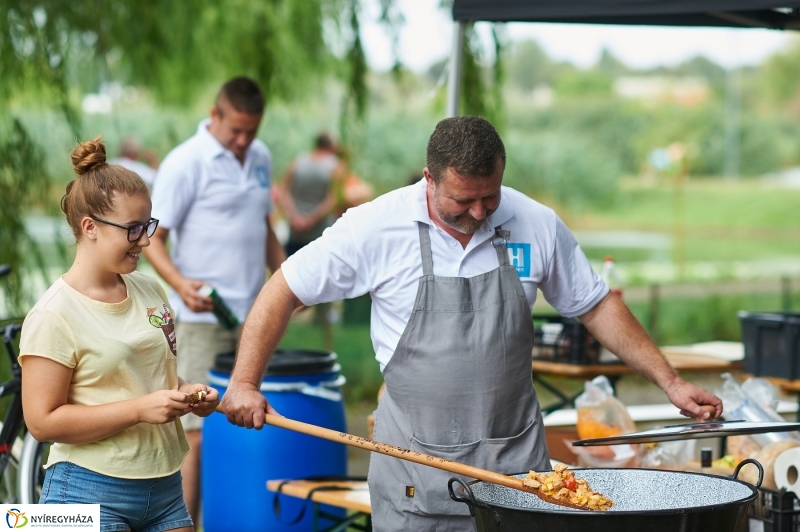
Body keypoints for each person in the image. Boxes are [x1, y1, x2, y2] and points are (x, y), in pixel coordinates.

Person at [222, 116, 722, 531]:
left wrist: (670, 381)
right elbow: (282, 290)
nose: (480, 212)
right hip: (417, 474)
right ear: (429, 178)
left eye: (491, 197)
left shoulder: (536, 222)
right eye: (463, 201)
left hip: (517, 474)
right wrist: (245, 382)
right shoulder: (374, 227)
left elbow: (596, 305)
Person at [19, 137, 219, 532]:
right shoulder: (53, 314)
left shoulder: (149, 288)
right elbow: (41, 422)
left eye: (147, 226)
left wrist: (187, 392)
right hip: (83, 491)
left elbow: (144, 375)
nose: (145, 240)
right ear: (90, 227)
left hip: (164, 486)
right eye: (132, 229)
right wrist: (141, 410)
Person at [145, 76, 285, 527]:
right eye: (235, 131)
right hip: (200, 316)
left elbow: (263, 227)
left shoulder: (260, 157)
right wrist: (181, 283)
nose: (243, 140)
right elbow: (153, 239)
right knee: (197, 431)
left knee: (249, 418)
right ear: (215, 115)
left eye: (251, 131)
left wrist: (287, 279)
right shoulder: (185, 162)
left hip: (253, 315)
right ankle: (183, 524)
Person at [279, 132, 345, 256]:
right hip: (320, 234)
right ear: (332, 146)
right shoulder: (335, 165)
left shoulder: (298, 161)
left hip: (295, 232)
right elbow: (333, 199)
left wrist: (294, 217)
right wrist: (310, 220)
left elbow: (284, 191)